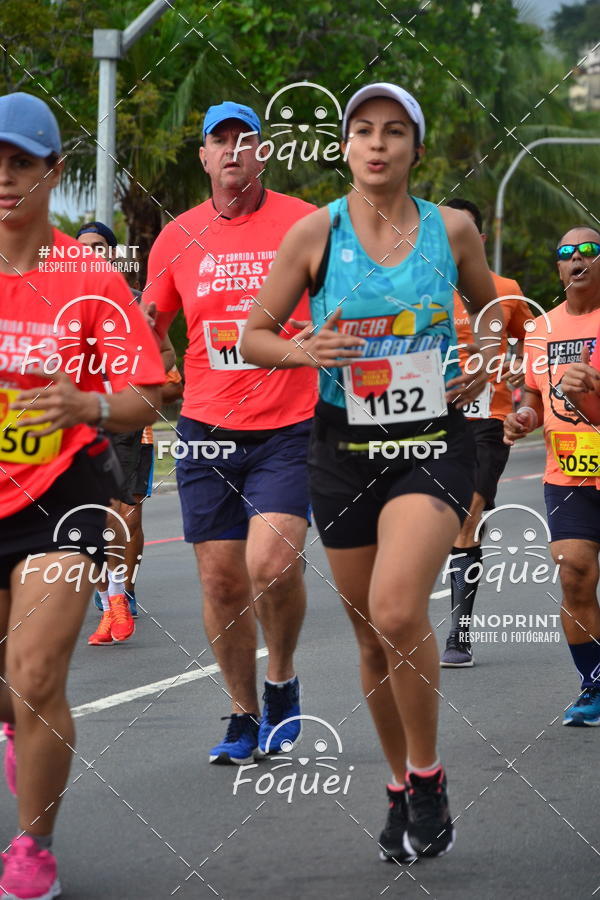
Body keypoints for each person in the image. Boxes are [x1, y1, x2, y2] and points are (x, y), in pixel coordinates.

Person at [242, 83, 499, 862]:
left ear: (416, 149)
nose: (378, 144)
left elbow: (497, 322)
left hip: (431, 440)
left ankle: (428, 776)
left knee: (396, 611)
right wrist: (303, 349)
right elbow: (253, 335)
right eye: (363, 131)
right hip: (342, 445)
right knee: (368, 638)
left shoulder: (452, 230)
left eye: (394, 132)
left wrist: (482, 365)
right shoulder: (313, 235)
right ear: (346, 147)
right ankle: (399, 783)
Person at [0, 92, 165, 899]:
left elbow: (148, 393)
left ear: (52, 172)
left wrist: (87, 405)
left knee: (34, 674)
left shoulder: (86, 273)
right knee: (6, 686)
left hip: (59, 494)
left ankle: (33, 850)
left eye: (21, 164)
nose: (4, 180)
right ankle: (13, 726)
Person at [144, 101, 317, 765]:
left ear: (264, 153)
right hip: (206, 428)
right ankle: (243, 714)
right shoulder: (176, 237)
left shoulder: (304, 222)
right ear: (205, 158)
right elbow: (147, 330)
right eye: (221, 142)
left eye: (246, 140)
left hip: (290, 424)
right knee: (221, 582)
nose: (234, 152)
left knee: (272, 566)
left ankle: (282, 683)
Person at [504, 226, 600, 726]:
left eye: (589, 250)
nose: (577, 258)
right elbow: (533, 397)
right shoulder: (540, 330)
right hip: (570, 472)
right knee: (575, 572)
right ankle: (595, 683)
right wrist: (522, 417)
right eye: (566, 253)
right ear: (558, 268)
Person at [440, 198, 533, 667]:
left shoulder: (505, 289)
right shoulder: (417, 290)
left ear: (476, 239)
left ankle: (459, 635)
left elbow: (533, 344)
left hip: (487, 421)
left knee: (466, 516)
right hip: (425, 422)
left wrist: (519, 367)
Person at [75, 222, 177, 645]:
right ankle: (108, 593)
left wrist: (145, 371)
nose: (91, 254)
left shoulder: (133, 301)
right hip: (73, 419)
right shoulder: (57, 298)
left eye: (100, 247)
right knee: (82, 517)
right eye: (83, 248)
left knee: (116, 509)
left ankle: (118, 598)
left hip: (120, 417)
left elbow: (167, 353)